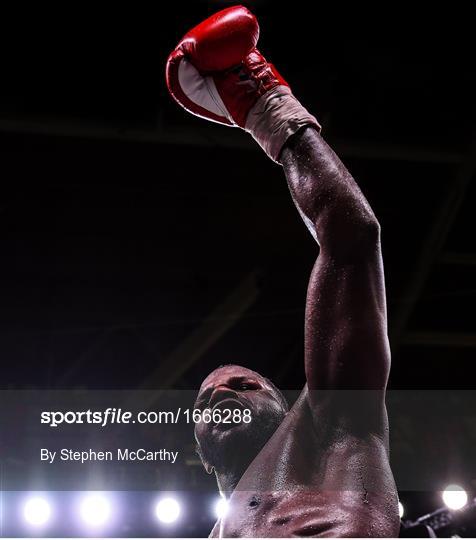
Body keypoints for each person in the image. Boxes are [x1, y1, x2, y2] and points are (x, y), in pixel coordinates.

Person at [166, 5, 400, 537]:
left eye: (247, 385)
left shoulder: (336, 429)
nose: (224, 393)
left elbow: (353, 240)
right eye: (207, 400)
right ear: (199, 451)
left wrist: (265, 107)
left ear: (288, 406)